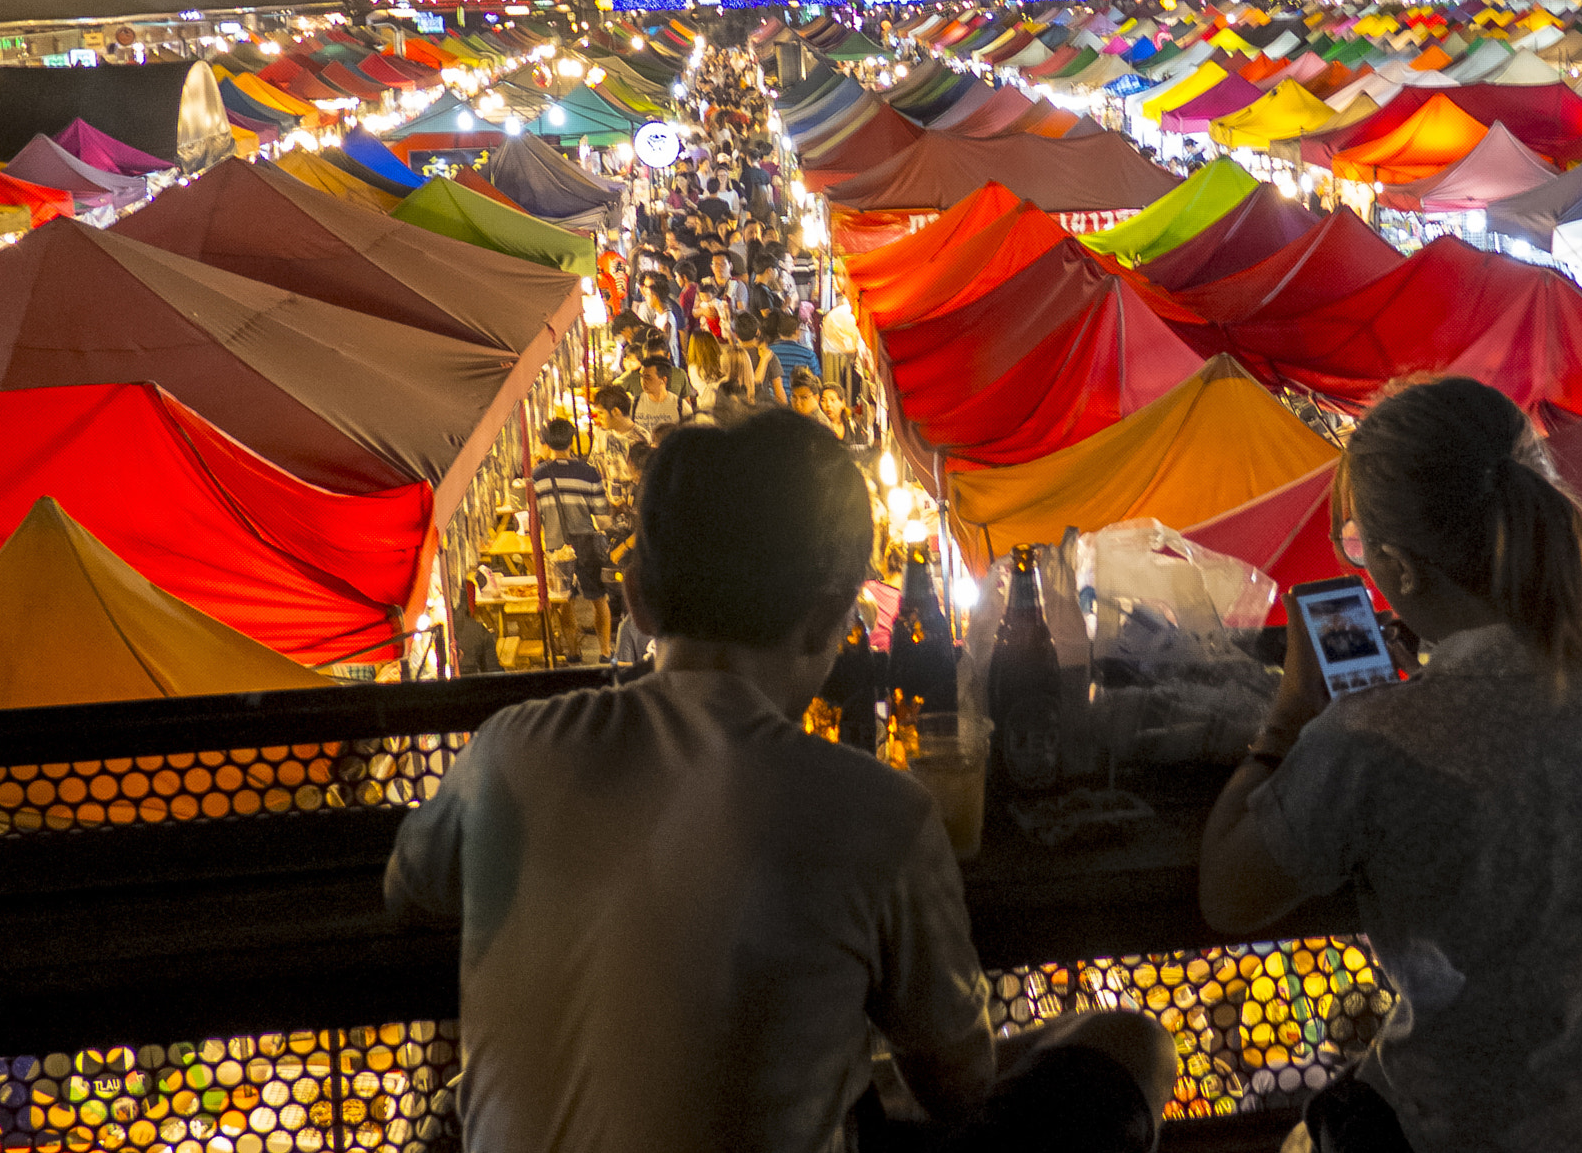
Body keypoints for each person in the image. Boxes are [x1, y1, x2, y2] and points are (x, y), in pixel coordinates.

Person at [386, 412, 1173, 1153]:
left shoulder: (510, 749)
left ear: (637, 600)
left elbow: (410, 886)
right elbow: (959, 1085)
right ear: (833, 617)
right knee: (1131, 1043)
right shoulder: (878, 813)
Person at [1198, 377, 1582, 1153]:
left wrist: (1291, 716)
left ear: (1400, 566)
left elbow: (1228, 892)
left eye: (1359, 547)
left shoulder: (1371, 735)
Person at [530, 417, 613, 660]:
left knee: (565, 601)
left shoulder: (538, 476)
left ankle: (573, 652)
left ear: (546, 443)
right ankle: (606, 652)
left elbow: (535, 515)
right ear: (571, 440)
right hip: (586, 543)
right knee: (599, 598)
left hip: (556, 546)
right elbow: (600, 510)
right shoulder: (588, 473)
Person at [732, 311, 788, 408]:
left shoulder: (730, 356)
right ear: (758, 331)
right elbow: (780, 396)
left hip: (736, 412)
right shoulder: (768, 355)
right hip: (761, 411)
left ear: (736, 335)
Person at [769, 309, 822, 393]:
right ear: (797, 331)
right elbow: (816, 378)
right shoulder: (808, 354)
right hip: (800, 398)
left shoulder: (768, 352)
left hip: (773, 400)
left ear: (779, 332)